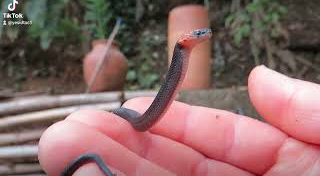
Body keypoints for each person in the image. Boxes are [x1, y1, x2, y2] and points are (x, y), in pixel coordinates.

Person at [38, 66, 320, 175]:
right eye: (198, 33)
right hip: (137, 121)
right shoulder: (180, 54)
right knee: (73, 141)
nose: (203, 34)